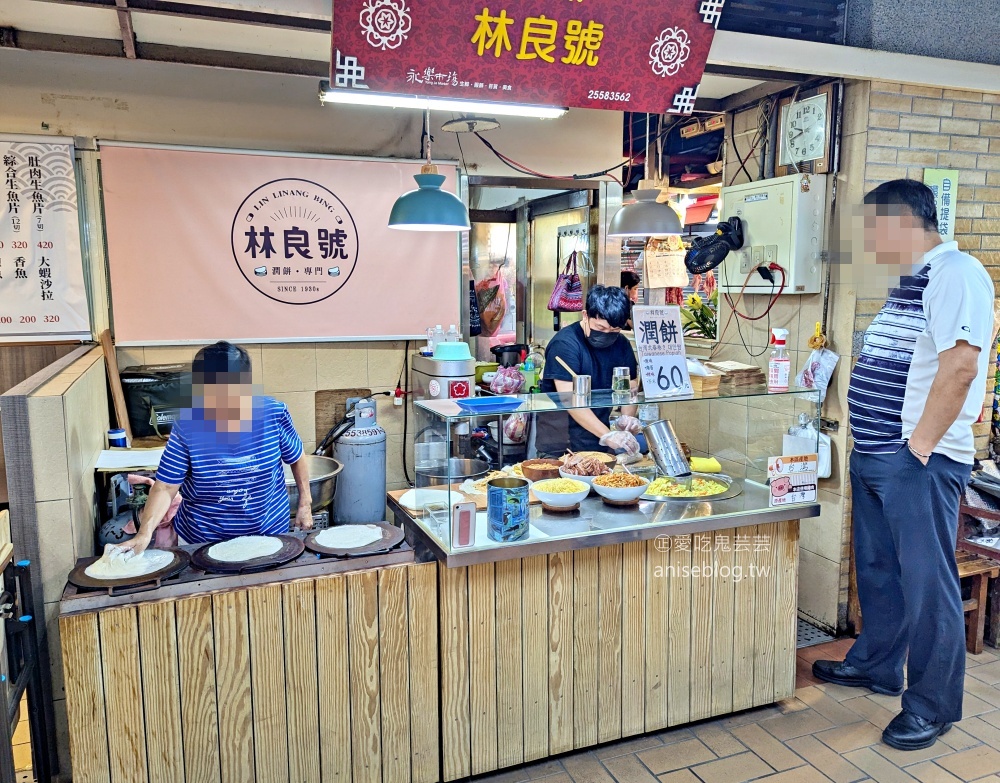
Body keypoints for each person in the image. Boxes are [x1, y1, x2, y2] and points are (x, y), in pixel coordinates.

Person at [813, 180, 995, 751]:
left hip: (917, 460)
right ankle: (878, 664)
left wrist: (918, 446)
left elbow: (962, 366)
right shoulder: (910, 283)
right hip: (878, 455)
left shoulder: (956, 273)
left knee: (926, 583)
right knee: (879, 571)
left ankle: (932, 704)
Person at [119, 341, 313, 554]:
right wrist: (144, 533)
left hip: (269, 534)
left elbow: (296, 456)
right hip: (204, 540)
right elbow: (165, 487)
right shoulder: (188, 425)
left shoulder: (273, 414)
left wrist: (305, 503)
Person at [535, 285, 641, 457]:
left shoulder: (621, 343)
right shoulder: (565, 344)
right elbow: (569, 399)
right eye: (600, 328)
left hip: (598, 441)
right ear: (585, 315)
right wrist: (608, 435)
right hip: (560, 444)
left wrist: (627, 419)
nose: (607, 334)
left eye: (614, 330)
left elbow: (631, 386)